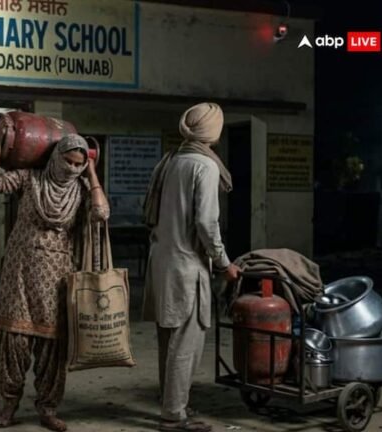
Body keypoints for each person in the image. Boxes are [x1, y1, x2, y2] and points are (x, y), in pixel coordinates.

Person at [0, 134, 110, 432]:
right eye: (68, 161)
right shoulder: (30, 178)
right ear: (55, 156)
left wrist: (91, 175)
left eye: (79, 164)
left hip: (57, 275)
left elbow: (101, 214)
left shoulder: (80, 190)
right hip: (20, 269)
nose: (72, 168)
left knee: (53, 344)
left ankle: (48, 407)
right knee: (15, 339)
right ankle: (10, 403)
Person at [142, 103, 241, 432]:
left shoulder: (170, 160)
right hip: (186, 266)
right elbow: (206, 223)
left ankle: (170, 403)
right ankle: (174, 415)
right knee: (186, 343)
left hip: (161, 262)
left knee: (167, 340)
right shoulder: (205, 166)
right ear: (212, 131)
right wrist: (225, 264)